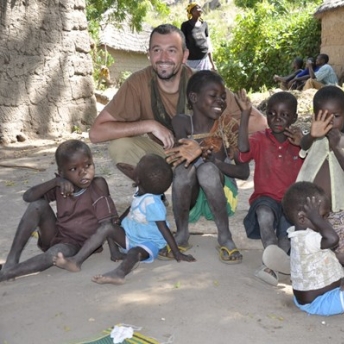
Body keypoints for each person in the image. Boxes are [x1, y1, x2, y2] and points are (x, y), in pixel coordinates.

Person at [88, 23, 266, 167]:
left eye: (172, 50)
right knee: (120, 147)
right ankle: (153, 191)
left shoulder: (202, 83)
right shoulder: (137, 83)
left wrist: (213, 139)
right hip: (162, 154)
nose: (163, 57)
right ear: (149, 54)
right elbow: (96, 133)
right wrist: (149, 125)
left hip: (201, 156)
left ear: (184, 56)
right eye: (157, 50)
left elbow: (260, 123)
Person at [53, 153, 195, 285]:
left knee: (134, 253)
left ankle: (119, 273)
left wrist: (176, 252)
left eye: (137, 167)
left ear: (138, 178)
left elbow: (163, 228)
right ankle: (76, 261)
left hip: (149, 243)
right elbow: (133, 206)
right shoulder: (142, 189)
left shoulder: (152, 203)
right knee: (107, 226)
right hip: (130, 236)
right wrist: (119, 221)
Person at [162, 70, 249, 264]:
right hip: (191, 198)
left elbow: (244, 172)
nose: (220, 101)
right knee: (183, 170)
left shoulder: (227, 125)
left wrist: (245, 115)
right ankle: (182, 233)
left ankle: (225, 235)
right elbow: (180, 159)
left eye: (223, 97)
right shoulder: (182, 122)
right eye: (213, 96)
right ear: (193, 97)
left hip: (221, 194)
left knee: (207, 170)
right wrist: (200, 152)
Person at [0, 140, 118, 282]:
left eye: (87, 165)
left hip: (78, 245)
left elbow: (108, 222)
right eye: (73, 169)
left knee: (54, 254)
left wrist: (114, 250)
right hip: (57, 235)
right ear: (62, 173)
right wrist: (55, 182)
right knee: (37, 205)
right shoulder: (61, 186)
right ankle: (12, 260)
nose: (83, 172)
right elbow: (28, 197)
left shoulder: (98, 185)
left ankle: (7, 273)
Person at [282, 181, 344, 316]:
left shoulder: (303, 234)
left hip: (317, 289)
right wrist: (317, 219)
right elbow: (333, 240)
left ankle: (337, 284)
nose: (326, 221)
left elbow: (327, 253)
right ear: (302, 218)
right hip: (317, 302)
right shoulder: (306, 239)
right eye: (323, 217)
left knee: (327, 259)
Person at [237, 91, 304, 285]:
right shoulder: (260, 138)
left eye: (284, 115)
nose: (277, 119)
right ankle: (272, 259)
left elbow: (316, 162)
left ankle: (273, 266)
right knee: (264, 215)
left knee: (287, 232)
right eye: (272, 113)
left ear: (294, 118)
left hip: (291, 201)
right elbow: (242, 152)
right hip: (265, 197)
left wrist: (304, 144)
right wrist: (245, 114)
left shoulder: (301, 143)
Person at [297, 86, 344, 269]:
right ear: (314, 117)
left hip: (335, 208)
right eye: (324, 117)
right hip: (310, 204)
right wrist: (312, 135)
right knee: (308, 242)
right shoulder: (314, 138)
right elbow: (303, 147)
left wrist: (336, 147)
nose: (330, 122)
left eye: (336, 116)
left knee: (337, 245)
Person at [181, 3, 217, 71]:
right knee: (192, 81)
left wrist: (212, 64)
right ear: (191, 11)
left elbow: (208, 44)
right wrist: (183, 61)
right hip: (191, 61)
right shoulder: (185, 25)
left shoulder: (204, 24)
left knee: (204, 80)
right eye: (197, 8)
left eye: (200, 8)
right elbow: (182, 44)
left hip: (204, 60)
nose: (200, 10)